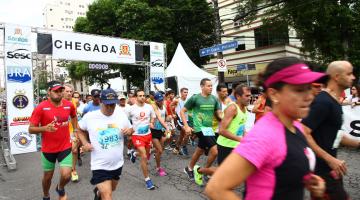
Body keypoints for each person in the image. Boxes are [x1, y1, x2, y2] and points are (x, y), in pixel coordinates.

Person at [205, 57, 326, 200]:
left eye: (309, 88)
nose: (309, 96)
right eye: (299, 90)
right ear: (274, 94)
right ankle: (200, 170)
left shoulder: (297, 126)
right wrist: (240, 139)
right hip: (226, 144)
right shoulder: (264, 136)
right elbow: (216, 188)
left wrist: (309, 182)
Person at [302, 61, 359, 200]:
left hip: (331, 169)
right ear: (336, 77)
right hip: (321, 172)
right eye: (349, 73)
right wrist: (330, 159)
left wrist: (358, 143)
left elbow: (336, 135)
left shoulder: (334, 102)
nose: (353, 77)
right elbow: (304, 131)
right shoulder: (323, 102)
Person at [77, 88, 133, 200]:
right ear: (101, 102)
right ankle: (101, 193)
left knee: (112, 189)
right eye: (107, 104)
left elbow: (131, 129)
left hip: (117, 164)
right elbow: (79, 129)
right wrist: (85, 143)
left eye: (112, 105)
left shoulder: (120, 115)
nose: (110, 108)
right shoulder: (90, 117)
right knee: (108, 196)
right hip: (99, 165)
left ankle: (98, 193)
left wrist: (129, 132)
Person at [29, 81, 78, 200]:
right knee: (47, 177)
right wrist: (44, 128)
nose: (59, 93)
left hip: (65, 146)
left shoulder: (69, 105)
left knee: (66, 175)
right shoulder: (41, 107)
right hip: (48, 149)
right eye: (55, 91)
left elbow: (74, 116)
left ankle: (60, 187)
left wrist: (75, 132)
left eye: (60, 90)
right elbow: (31, 129)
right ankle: (46, 195)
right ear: (49, 92)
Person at [181, 78, 221, 185]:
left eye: (211, 86)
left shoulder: (214, 99)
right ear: (202, 86)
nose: (211, 87)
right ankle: (204, 171)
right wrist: (186, 126)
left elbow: (219, 114)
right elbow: (182, 111)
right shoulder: (195, 98)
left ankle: (189, 168)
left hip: (209, 129)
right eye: (208, 86)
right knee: (215, 151)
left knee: (199, 150)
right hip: (199, 128)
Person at [126, 89, 157, 190]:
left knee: (147, 154)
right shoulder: (131, 109)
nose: (142, 97)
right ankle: (147, 180)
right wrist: (129, 129)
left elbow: (153, 116)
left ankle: (134, 154)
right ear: (136, 97)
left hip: (148, 135)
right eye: (140, 96)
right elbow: (124, 119)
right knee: (144, 156)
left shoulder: (149, 107)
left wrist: (152, 122)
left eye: (144, 95)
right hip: (137, 136)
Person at [217, 84, 251, 165]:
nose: (249, 98)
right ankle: (199, 170)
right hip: (225, 146)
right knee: (223, 173)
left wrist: (249, 138)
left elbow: (241, 128)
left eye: (250, 96)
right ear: (238, 96)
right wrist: (240, 140)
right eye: (247, 96)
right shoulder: (232, 108)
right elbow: (221, 130)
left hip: (236, 146)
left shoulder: (244, 108)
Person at [62, 83, 80, 182]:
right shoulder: (58, 102)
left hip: (71, 130)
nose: (69, 93)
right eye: (67, 91)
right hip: (61, 131)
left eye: (70, 91)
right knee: (64, 152)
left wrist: (76, 130)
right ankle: (65, 169)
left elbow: (75, 117)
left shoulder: (74, 102)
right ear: (62, 92)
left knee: (74, 150)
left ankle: (73, 170)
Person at [150, 92, 170, 176]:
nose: (161, 102)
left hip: (161, 130)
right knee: (160, 150)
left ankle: (148, 152)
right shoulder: (153, 107)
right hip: (154, 131)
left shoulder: (164, 107)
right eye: (159, 101)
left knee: (159, 150)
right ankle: (159, 168)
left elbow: (165, 117)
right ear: (155, 101)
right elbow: (159, 118)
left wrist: (169, 119)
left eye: (162, 100)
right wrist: (167, 127)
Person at [174, 87, 190, 156]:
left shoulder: (188, 101)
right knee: (187, 132)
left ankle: (176, 148)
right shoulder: (177, 100)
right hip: (180, 120)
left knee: (181, 136)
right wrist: (173, 114)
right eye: (184, 92)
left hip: (187, 120)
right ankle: (183, 147)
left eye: (187, 92)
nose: (186, 93)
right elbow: (170, 105)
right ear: (181, 93)